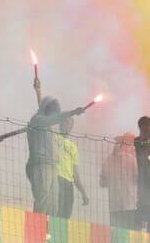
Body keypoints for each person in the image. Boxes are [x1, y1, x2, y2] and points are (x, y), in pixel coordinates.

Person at [25, 77, 98, 216]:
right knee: (43, 200)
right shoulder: (38, 120)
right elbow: (48, 115)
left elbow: (45, 109)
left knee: (53, 204)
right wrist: (72, 112)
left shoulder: (47, 124)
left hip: (51, 166)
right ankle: (37, 230)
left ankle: (49, 230)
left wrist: (38, 91)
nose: (59, 118)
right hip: (40, 164)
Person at [55, 120, 90, 218]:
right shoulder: (53, 138)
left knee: (65, 216)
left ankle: (60, 232)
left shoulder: (73, 147)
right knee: (56, 213)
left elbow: (76, 174)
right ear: (59, 124)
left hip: (68, 184)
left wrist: (83, 193)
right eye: (63, 122)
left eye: (68, 123)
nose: (65, 125)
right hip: (56, 179)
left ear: (71, 127)